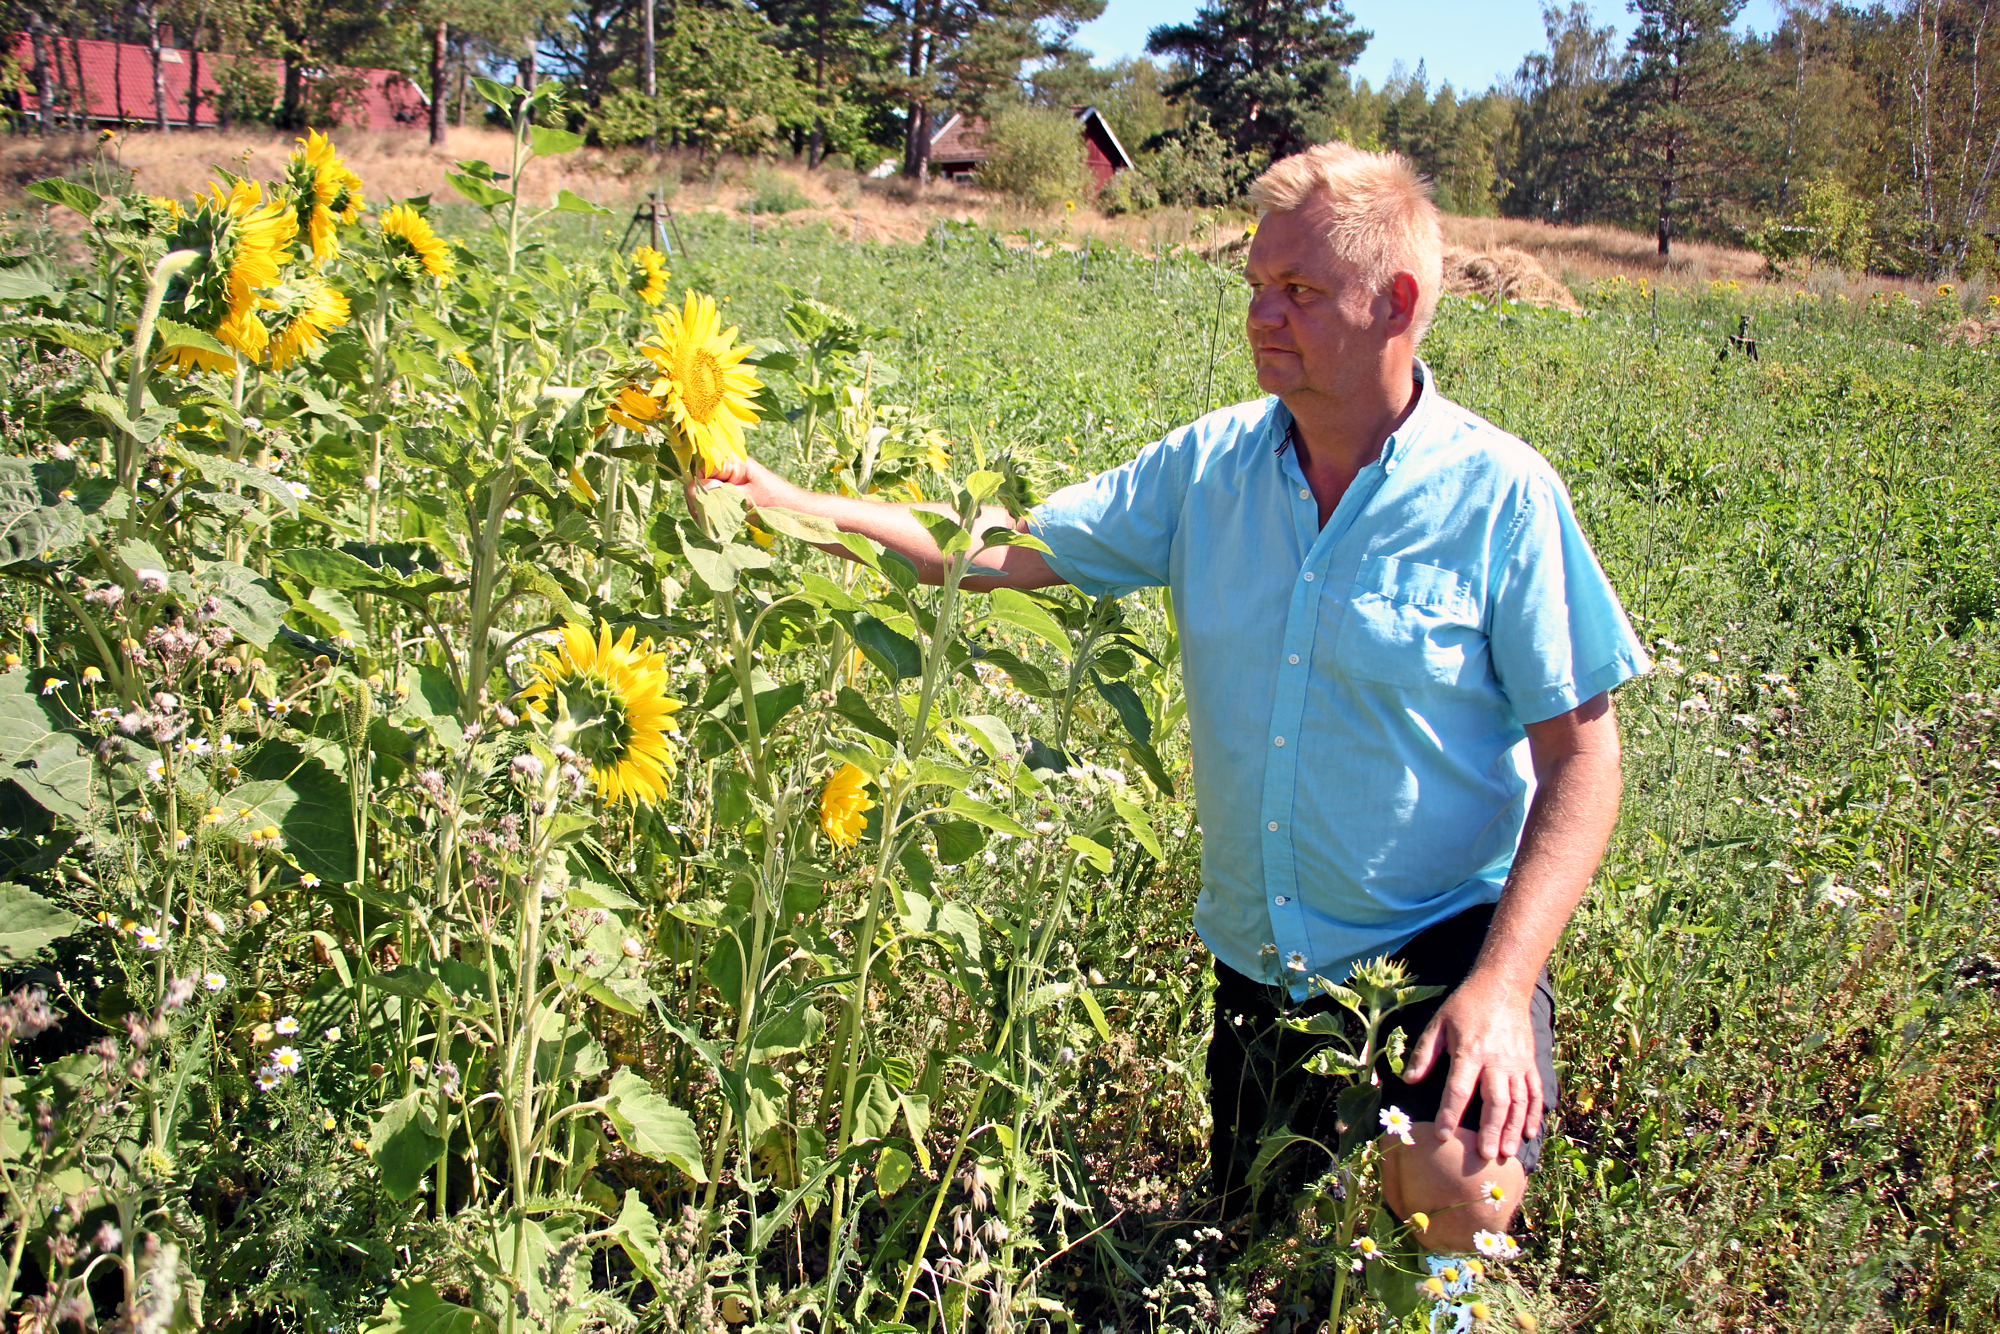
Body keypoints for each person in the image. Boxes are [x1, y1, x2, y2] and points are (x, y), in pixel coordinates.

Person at [692, 141, 1647, 1254]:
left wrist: (1498, 981)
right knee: (1251, 1231)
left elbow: (1583, 761)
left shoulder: (1499, 497)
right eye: (1252, 284)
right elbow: (998, 550)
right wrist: (797, 501)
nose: (1260, 315)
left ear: (1396, 303)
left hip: (1434, 947)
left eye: (1296, 291)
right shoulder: (1209, 469)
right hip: (1262, 963)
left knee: (1451, 1185)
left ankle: (1446, 1293)